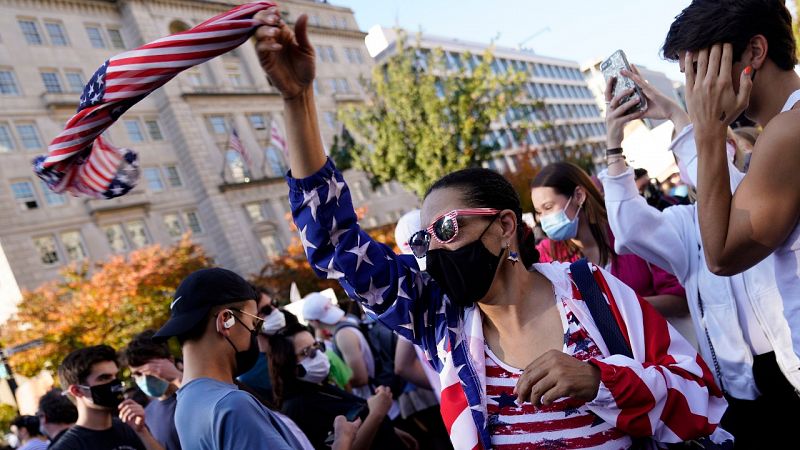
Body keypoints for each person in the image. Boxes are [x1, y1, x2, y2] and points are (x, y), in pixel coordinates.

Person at [252, 9, 731, 449]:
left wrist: (599, 381)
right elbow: (338, 245)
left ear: (504, 227)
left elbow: (697, 396)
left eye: (447, 228)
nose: (435, 248)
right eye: (424, 239)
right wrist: (298, 100)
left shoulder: (593, 293)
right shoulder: (440, 320)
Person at [600, 66, 800, 447]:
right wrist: (614, 144)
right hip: (737, 382)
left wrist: (681, 116)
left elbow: (721, 181)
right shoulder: (684, 224)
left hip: (790, 362)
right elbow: (628, 227)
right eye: (693, 152)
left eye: (713, 148)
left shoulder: (754, 194)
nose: (700, 163)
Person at [662, 0, 800, 360]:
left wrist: (708, 131)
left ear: (754, 51)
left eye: (699, 70)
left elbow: (721, 255)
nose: (694, 89)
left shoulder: (788, 131)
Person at [152, 266, 358, 450]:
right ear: (226, 321)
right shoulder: (232, 406)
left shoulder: (185, 404)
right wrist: (343, 441)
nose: (256, 334)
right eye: (255, 323)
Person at [530, 162, 695, 344]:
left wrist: (617, 305)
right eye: (539, 212)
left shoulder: (628, 232)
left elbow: (681, 301)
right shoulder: (548, 254)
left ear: (579, 195)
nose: (544, 219)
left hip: (664, 349)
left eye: (548, 207)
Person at [267, 321, 416, 450]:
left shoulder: (318, 385)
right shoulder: (297, 408)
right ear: (287, 364)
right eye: (307, 352)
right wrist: (377, 414)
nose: (317, 354)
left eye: (316, 345)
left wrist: (391, 429)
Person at [52, 345, 163, 450]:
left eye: (115, 376)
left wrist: (143, 432)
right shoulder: (68, 447)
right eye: (104, 378)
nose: (115, 383)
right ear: (77, 391)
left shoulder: (132, 426)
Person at [302, 293, 374, 399]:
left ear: (315, 321)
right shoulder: (348, 321)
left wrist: (331, 386)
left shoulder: (343, 335)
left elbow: (360, 378)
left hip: (372, 398)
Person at [123, 330, 183, 450]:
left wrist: (178, 377)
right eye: (138, 374)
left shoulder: (191, 398)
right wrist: (142, 432)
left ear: (170, 361)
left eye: (150, 371)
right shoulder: (146, 414)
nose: (145, 379)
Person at [237, 285, 280, 401]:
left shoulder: (295, 342)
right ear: (252, 320)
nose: (275, 311)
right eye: (266, 310)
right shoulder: (251, 376)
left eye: (274, 303)